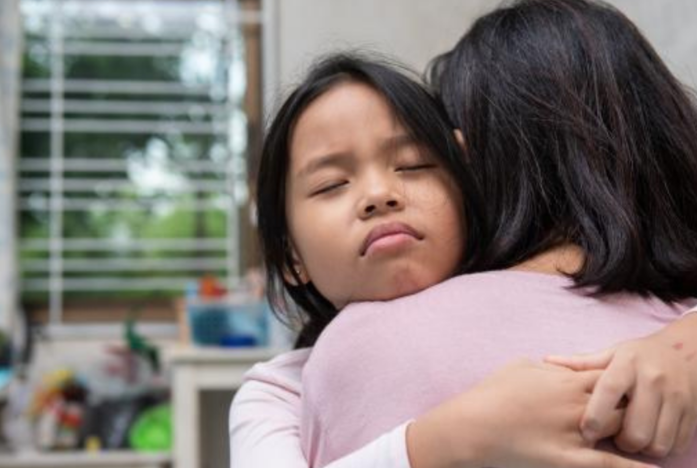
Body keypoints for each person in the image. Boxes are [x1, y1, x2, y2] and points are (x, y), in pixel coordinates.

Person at [230, 2, 697, 468]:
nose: (379, 195)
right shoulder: (281, 387)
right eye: (331, 184)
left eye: (415, 165)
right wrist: (438, 444)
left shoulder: (348, 356)